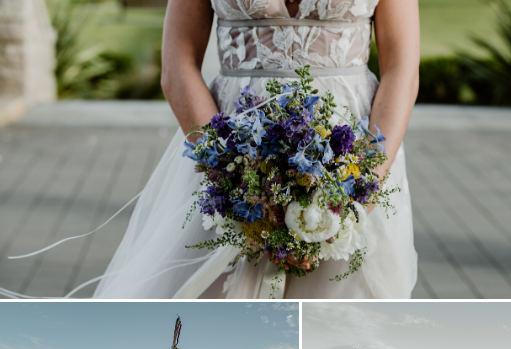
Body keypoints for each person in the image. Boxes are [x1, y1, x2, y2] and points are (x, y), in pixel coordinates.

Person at [85, 0, 420, 300]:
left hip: (354, 158)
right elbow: (178, 65)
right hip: (231, 155)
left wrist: (363, 186)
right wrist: (229, 175)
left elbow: (401, 67)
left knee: (343, 317)